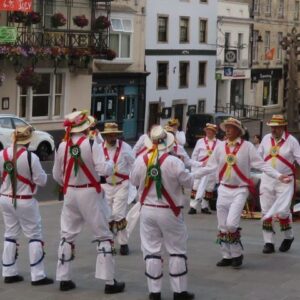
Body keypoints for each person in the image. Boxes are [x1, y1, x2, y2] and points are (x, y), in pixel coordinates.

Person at [194, 117, 291, 269]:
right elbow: (210, 166)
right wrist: (191, 175)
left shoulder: (247, 147)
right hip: (223, 189)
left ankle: (237, 253)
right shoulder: (220, 147)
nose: (227, 130)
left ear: (238, 131)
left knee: (232, 224)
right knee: (222, 225)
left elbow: (262, 165)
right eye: (226, 127)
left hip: (239, 190)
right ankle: (226, 255)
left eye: (231, 127)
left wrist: (279, 176)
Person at [53, 110, 125, 293]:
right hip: (90, 193)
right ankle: (110, 282)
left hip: (70, 193)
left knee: (67, 235)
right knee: (103, 235)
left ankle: (64, 279)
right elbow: (103, 169)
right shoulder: (92, 143)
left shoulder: (63, 145)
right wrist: (110, 165)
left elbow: (56, 174)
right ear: (85, 127)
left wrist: (69, 184)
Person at [130, 125, 194, 300]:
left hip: (148, 211)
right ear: (167, 142)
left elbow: (133, 180)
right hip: (169, 211)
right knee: (176, 250)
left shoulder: (140, 159)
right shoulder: (174, 162)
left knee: (151, 251)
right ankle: (179, 292)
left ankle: (154, 292)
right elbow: (189, 183)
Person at [0, 126, 53, 286]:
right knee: (34, 234)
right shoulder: (31, 158)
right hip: (25, 200)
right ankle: (37, 275)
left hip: (5, 198)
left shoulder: (1, 155)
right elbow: (42, 181)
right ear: (28, 142)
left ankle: (8, 271)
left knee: (10, 233)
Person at [257, 115, 300, 254]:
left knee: (283, 211)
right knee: (266, 210)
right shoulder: (265, 139)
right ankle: (268, 242)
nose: (273, 129)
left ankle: (289, 236)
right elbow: (258, 157)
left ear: (283, 127)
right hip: (267, 179)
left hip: (286, 180)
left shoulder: (292, 141)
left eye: (276, 127)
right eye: (272, 126)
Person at [101, 122, 135, 255]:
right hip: (105, 186)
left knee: (118, 214)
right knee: (107, 216)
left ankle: (123, 243)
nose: (112, 137)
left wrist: (136, 180)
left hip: (122, 184)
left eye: (114, 135)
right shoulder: (99, 148)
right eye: (109, 135)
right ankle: (109, 243)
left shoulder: (125, 147)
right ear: (105, 136)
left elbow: (135, 164)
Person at [188, 123, 220, 215]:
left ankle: (204, 206)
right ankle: (193, 206)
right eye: (207, 131)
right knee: (196, 186)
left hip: (212, 169)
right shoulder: (200, 141)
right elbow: (194, 155)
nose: (209, 132)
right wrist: (194, 168)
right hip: (200, 167)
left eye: (211, 131)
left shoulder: (220, 143)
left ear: (215, 133)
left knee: (209, 188)